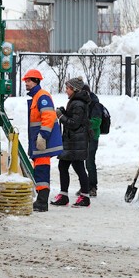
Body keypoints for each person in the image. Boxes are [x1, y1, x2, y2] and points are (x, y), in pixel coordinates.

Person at [22, 69, 63, 212]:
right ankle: (41, 201)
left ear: (36, 81)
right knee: (40, 170)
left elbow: (49, 117)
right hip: (39, 141)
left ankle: (42, 202)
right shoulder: (36, 97)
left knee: (42, 171)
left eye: (28, 81)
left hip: (42, 142)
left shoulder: (42, 96)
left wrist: (43, 135)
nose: (26, 83)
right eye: (26, 81)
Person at [51, 77, 92, 207]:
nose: (66, 91)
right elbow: (73, 118)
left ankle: (85, 196)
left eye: (68, 88)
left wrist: (61, 116)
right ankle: (64, 195)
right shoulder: (75, 102)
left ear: (75, 89)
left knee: (78, 167)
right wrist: (64, 112)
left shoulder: (78, 104)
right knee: (63, 166)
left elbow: (74, 124)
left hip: (76, 142)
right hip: (72, 142)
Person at [81, 83, 102, 197]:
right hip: (84, 136)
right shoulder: (84, 103)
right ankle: (86, 185)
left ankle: (92, 187)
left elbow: (97, 122)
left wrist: (84, 122)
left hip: (92, 137)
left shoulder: (95, 105)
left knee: (89, 162)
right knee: (83, 162)